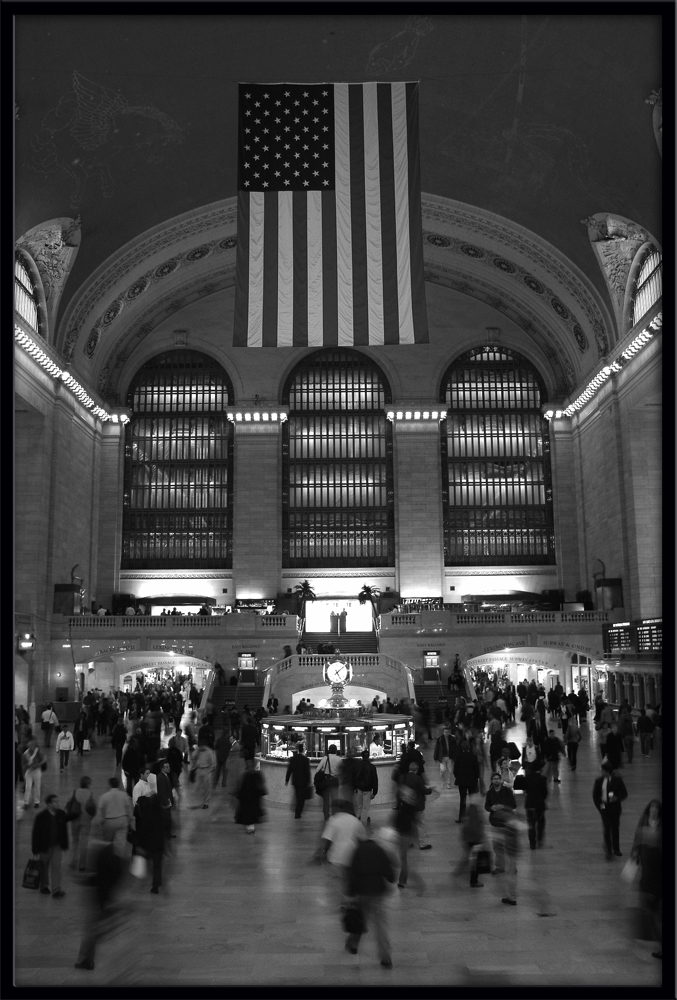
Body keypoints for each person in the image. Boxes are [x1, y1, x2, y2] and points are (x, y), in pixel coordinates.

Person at [344, 835, 395, 967]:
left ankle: (353, 944)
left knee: (360, 919)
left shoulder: (358, 851)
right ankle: (385, 957)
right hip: (378, 891)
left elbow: (352, 873)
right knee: (380, 926)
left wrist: (351, 892)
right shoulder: (379, 849)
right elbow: (389, 871)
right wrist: (390, 878)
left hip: (362, 892)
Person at [74, 841, 125, 971]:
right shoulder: (115, 868)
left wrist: (82, 880)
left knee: (91, 930)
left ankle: (87, 960)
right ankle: (86, 958)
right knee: (94, 930)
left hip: (98, 900)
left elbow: (96, 880)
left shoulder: (102, 869)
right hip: (108, 899)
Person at [630, 800, 662, 960]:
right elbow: (636, 842)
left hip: (658, 874)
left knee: (654, 912)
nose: (654, 811)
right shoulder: (643, 822)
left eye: (657, 809)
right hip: (647, 873)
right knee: (651, 909)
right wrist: (635, 854)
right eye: (652, 809)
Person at [320, 799, 367, 906]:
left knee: (339, 881)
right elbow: (363, 839)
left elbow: (328, 840)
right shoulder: (355, 821)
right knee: (349, 879)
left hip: (336, 857)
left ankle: (344, 902)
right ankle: (351, 900)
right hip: (352, 856)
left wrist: (324, 852)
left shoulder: (333, 820)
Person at [32, 793, 69, 897]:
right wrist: (35, 850)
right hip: (44, 846)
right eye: (55, 802)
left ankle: (56, 889)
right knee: (44, 867)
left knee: (56, 867)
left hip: (57, 846)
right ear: (49, 804)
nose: (58, 804)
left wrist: (64, 844)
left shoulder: (61, 814)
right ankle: (44, 886)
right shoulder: (41, 817)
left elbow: (64, 830)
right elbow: (36, 834)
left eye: (58, 802)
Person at [134, 774, 165, 893]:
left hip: (149, 842)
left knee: (145, 862)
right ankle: (156, 885)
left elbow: (144, 828)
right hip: (159, 843)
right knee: (157, 865)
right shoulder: (161, 814)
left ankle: (140, 881)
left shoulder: (148, 814)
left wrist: (140, 842)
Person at [592, 760, 628, 859]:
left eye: (603, 770)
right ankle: (608, 850)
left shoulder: (618, 780)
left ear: (607, 771)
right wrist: (600, 807)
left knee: (615, 828)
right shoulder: (598, 781)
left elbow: (624, 793)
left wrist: (617, 798)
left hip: (615, 807)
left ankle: (616, 849)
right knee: (607, 828)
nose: (601, 772)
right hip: (604, 807)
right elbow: (595, 796)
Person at [397, 761, 433, 849]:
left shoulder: (403, 777)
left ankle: (409, 842)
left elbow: (399, 791)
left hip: (407, 806)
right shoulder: (417, 779)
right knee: (420, 824)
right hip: (418, 805)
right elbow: (425, 791)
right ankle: (422, 844)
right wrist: (431, 789)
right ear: (416, 770)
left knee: (410, 824)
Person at [514, 762, 548, 849]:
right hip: (539, 804)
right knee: (540, 823)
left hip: (530, 804)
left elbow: (524, 789)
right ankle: (539, 840)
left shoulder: (527, 778)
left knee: (531, 824)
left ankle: (532, 843)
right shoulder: (542, 779)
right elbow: (545, 793)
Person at [97, 777, 133, 857]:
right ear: (118, 785)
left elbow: (100, 810)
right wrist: (130, 819)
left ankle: (108, 858)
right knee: (120, 844)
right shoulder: (124, 795)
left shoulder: (104, 796)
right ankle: (119, 860)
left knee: (107, 842)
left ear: (110, 785)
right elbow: (128, 808)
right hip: (122, 820)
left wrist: (100, 822)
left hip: (108, 821)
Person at [67, 775, 97, 871]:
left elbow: (68, 804)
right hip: (86, 820)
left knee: (74, 840)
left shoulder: (74, 792)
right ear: (88, 784)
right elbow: (94, 808)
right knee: (84, 842)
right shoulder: (91, 794)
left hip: (75, 819)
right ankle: (82, 865)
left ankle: (72, 861)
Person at [235, 758, 267, 833]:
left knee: (248, 814)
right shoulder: (257, 774)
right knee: (252, 814)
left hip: (248, 798)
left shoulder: (246, 775)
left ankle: (250, 827)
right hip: (253, 798)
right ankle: (251, 827)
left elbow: (242, 787)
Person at [453, 739, 480, 822]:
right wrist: (476, 778)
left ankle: (461, 817)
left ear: (462, 748)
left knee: (462, 799)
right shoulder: (473, 757)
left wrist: (458, 776)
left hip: (462, 781)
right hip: (472, 781)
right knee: (473, 800)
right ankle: (474, 818)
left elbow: (455, 770)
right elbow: (477, 770)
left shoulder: (458, 757)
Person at [285, 743, 312, 818]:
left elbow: (289, 770)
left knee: (297, 796)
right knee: (301, 798)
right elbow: (307, 772)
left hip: (295, 781)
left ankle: (297, 812)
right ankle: (298, 812)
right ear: (303, 750)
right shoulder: (306, 760)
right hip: (303, 781)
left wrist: (287, 780)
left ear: (297, 750)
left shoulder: (293, 759)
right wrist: (309, 781)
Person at [354, 750, 378, 827]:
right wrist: (374, 792)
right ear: (368, 756)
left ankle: (357, 821)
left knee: (359, 806)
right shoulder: (372, 767)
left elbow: (355, 777)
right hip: (367, 789)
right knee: (365, 808)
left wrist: (355, 787)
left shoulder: (357, 765)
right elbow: (375, 780)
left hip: (359, 788)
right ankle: (362, 825)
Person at [315, 746, 340, 820]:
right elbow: (342, 771)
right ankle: (334, 815)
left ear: (329, 750)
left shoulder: (325, 758)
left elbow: (317, 769)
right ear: (336, 750)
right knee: (334, 800)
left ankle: (326, 816)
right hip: (335, 781)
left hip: (326, 781)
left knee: (326, 801)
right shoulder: (339, 759)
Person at [22, 737, 46, 809]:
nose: (32, 747)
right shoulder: (25, 754)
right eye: (30, 745)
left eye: (33, 745)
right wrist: (28, 766)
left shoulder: (38, 751)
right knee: (28, 787)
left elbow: (44, 758)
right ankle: (26, 802)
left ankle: (37, 802)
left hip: (37, 771)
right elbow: (23, 765)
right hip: (29, 771)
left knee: (37, 787)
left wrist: (38, 765)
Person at [190, 742, 216, 808]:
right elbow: (193, 757)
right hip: (199, 769)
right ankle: (198, 801)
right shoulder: (198, 750)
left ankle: (206, 803)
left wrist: (211, 770)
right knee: (197, 786)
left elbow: (213, 762)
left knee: (206, 787)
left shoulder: (209, 751)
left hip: (206, 770)